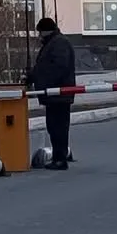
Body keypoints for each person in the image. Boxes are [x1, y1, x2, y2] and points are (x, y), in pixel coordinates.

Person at [29, 17, 77, 170]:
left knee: (58, 128)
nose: (39, 36)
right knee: (54, 127)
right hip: (54, 95)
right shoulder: (53, 43)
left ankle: (60, 159)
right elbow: (43, 67)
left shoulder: (59, 44)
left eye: (40, 32)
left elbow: (56, 68)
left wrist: (43, 81)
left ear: (46, 31)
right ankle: (59, 157)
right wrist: (31, 77)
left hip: (58, 94)